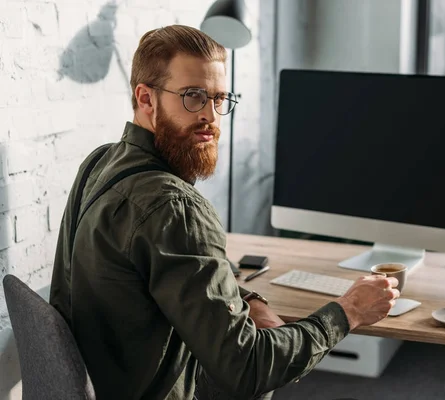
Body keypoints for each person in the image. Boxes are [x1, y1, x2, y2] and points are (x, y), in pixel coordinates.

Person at [49, 25, 400, 400]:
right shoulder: (173, 207)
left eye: (219, 99)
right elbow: (246, 368)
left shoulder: (100, 162)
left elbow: (156, 279)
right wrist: (348, 312)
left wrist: (247, 300)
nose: (211, 117)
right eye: (193, 97)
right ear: (146, 98)